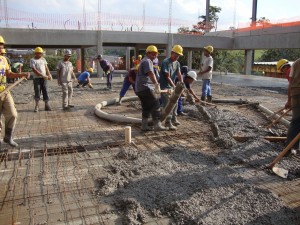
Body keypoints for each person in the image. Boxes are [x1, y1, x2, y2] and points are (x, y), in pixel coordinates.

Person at [0, 35, 30, 147]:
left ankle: (8, 137)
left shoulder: (3, 60)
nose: (1, 47)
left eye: (1, 45)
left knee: (13, 114)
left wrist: (22, 74)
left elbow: (9, 74)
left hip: (5, 90)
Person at [135, 45, 166, 131]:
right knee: (156, 104)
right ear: (148, 53)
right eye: (153, 54)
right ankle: (157, 125)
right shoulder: (147, 61)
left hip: (139, 89)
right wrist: (156, 85)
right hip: (145, 87)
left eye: (156, 54)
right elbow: (151, 73)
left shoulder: (144, 61)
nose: (155, 56)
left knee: (146, 107)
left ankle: (144, 126)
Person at [159, 45, 184, 130]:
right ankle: (168, 123)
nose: (177, 57)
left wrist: (182, 83)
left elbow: (179, 74)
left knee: (175, 103)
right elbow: (167, 76)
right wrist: (175, 86)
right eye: (176, 55)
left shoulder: (177, 63)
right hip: (165, 86)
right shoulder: (166, 62)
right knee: (168, 104)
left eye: (178, 56)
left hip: (172, 86)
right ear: (171, 53)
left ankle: (174, 119)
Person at [284, 58, 300, 154]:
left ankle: (290, 147)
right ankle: (290, 147)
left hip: (295, 93)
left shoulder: (295, 63)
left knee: (296, 120)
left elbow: (290, 84)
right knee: (297, 121)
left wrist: (289, 100)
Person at [30, 47, 52, 112]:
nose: (40, 54)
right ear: (35, 53)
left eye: (41, 53)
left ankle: (46, 105)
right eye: (38, 53)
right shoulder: (32, 60)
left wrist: (49, 74)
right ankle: (36, 106)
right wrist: (42, 75)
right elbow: (34, 70)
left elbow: (46, 68)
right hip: (37, 79)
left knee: (45, 91)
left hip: (44, 78)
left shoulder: (43, 59)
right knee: (37, 91)